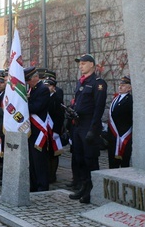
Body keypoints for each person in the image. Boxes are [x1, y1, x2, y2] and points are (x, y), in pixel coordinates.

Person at [69, 54, 107, 204]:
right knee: (79, 157)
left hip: (89, 124)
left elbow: (98, 108)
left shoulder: (98, 83)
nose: (80, 66)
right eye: (80, 64)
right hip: (78, 123)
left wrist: (94, 128)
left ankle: (93, 190)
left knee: (90, 158)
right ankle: (84, 186)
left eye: (83, 63)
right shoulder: (81, 82)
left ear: (92, 65)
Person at [25, 67, 51, 192]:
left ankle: (42, 185)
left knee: (39, 160)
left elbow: (36, 107)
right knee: (32, 160)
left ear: (35, 77)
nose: (28, 83)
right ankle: (33, 184)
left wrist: (23, 104)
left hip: (39, 129)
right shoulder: (32, 89)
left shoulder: (43, 90)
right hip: (31, 129)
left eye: (29, 80)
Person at [107, 75, 133, 169]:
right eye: (120, 85)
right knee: (112, 160)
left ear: (129, 88)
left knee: (124, 160)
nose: (120, 87)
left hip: (124, 134)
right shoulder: (116, 98)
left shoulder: (130, 100)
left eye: (123, 85)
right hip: (114, 135)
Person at [44, 70, 64, 183]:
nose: (48, 87)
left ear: (54, 87)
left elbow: (60, 116)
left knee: (53, 153)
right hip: (45, 129)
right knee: (47, 153)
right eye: (46, 85)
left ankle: (52, 175)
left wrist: (57, 130)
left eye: (50, 85)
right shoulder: (45, 97)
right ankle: (47, 173)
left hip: (53, 129)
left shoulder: (56, 98)